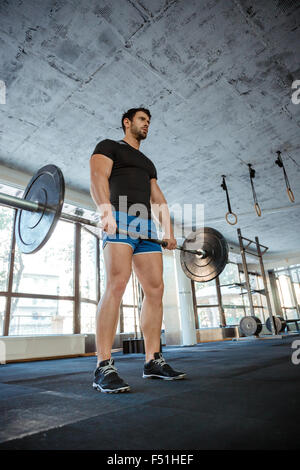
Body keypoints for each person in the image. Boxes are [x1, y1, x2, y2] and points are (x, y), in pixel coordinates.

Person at [90, 108, 186, 393]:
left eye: (149, 122)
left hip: (146, 228)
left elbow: (158, 199)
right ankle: (103, 365)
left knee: (156, 289)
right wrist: (105, 211)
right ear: (127, 122)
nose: (147, 124)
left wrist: (167, 232)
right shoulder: (109, 146)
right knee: (117, 284)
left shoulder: (147, 163)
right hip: (119, 217)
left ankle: (153, 360)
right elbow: (97, 176)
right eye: (142, 120)